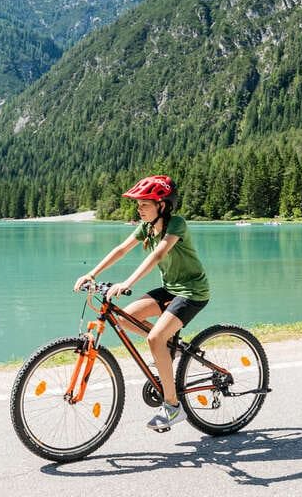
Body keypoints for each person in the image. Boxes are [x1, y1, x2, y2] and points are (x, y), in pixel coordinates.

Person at [75, 175, 209, 431]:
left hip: (192, 292)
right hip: (171, 289)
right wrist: (92, 273)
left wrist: (128, 282)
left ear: (162, 204)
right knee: (124, 318)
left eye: (144, 204)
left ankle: (172, 407)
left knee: (154, 339)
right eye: (138, 204)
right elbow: (121, 249)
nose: (139, 208)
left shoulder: (176, 224)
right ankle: (172, 346)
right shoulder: (147, 227)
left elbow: (159, 254)